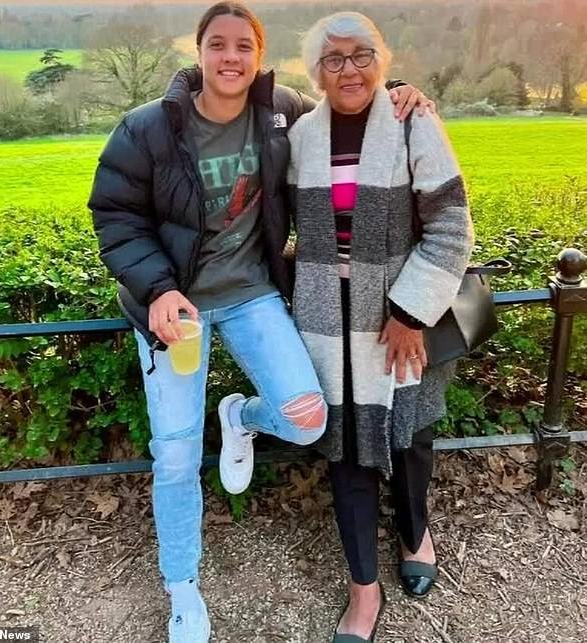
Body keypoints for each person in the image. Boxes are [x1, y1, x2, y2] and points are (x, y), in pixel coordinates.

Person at [88, 3, 432, 641]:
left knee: (308, 420)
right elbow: (115, 214)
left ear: (258, 56)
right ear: (197, 52)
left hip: (252, 295)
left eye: (243, 46)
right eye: (217, 44)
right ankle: (183, 590)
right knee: (175, 455)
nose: (230, 57)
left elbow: (347, 97)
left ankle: (241, 416)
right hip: (175, 311)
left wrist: (398, 92)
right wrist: (158, 288)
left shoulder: (281, 113)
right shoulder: (147, 127)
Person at [287, 11, 474, 643]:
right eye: (334, 58)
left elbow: (451, 227)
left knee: (410, 437)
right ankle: (363, 590)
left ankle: (415, 531)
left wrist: (408, 313)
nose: (349, 69)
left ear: (381, 61)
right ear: (316, 72)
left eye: (361, 55)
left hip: (402, 316)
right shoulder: (301, 135)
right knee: (346, 451)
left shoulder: (412, 120)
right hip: (325, 322)